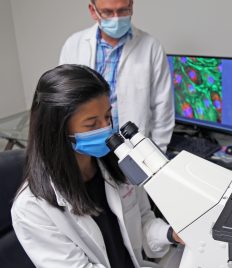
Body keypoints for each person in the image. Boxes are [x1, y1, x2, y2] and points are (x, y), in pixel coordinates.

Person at [11, 64, 182, 268]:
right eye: (91, 124)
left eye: (108, 117)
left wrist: (171, 234)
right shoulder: (32, 208)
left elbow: (143, 223)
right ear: (57, 130)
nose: (106, 129)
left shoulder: (120, 165)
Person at [59, 0, 174, 152]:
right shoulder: (74, 45)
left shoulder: (151, 47)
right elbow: (63, 103)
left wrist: (157, 152)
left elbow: (163, 106)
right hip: (88, 145)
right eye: (107, 12)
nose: (116, 18)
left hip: (134, 147)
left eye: (122, 11)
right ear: (93, 11)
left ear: (131, 6)